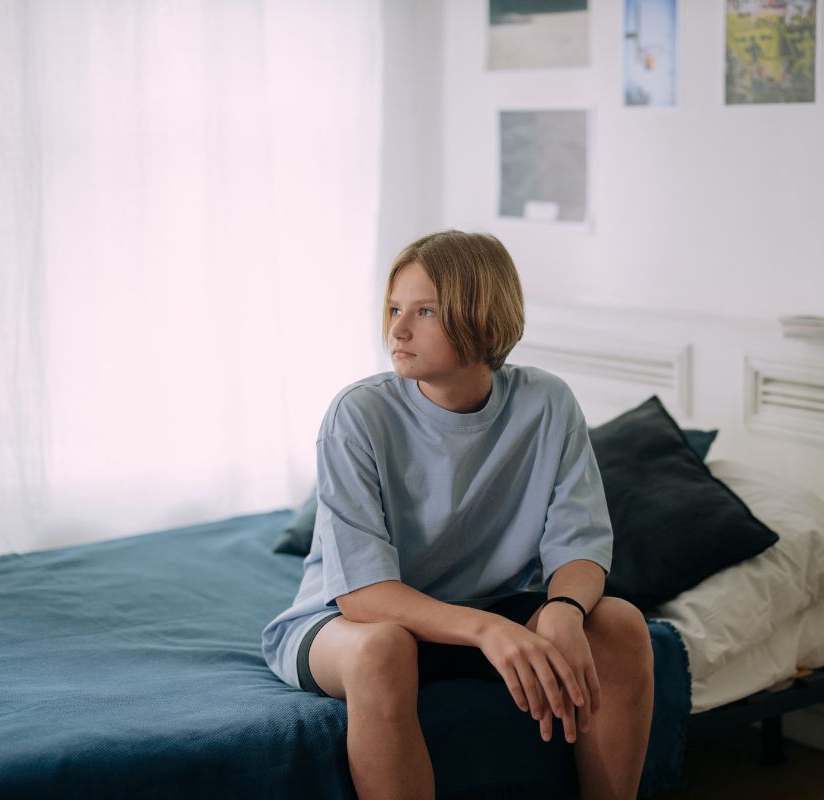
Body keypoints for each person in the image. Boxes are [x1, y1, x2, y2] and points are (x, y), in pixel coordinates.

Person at [261, 230, 654, 800]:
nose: (397, 330)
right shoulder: (358, 415)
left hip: (482, 610)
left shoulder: (548, 403)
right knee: (383, 650)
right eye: (395, 308)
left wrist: (564, 612)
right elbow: (362, 595)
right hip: (348, 624)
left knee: (619, 625)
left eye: (424, 311)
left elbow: (580, 543)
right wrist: (489, 630)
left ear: (487, 324)